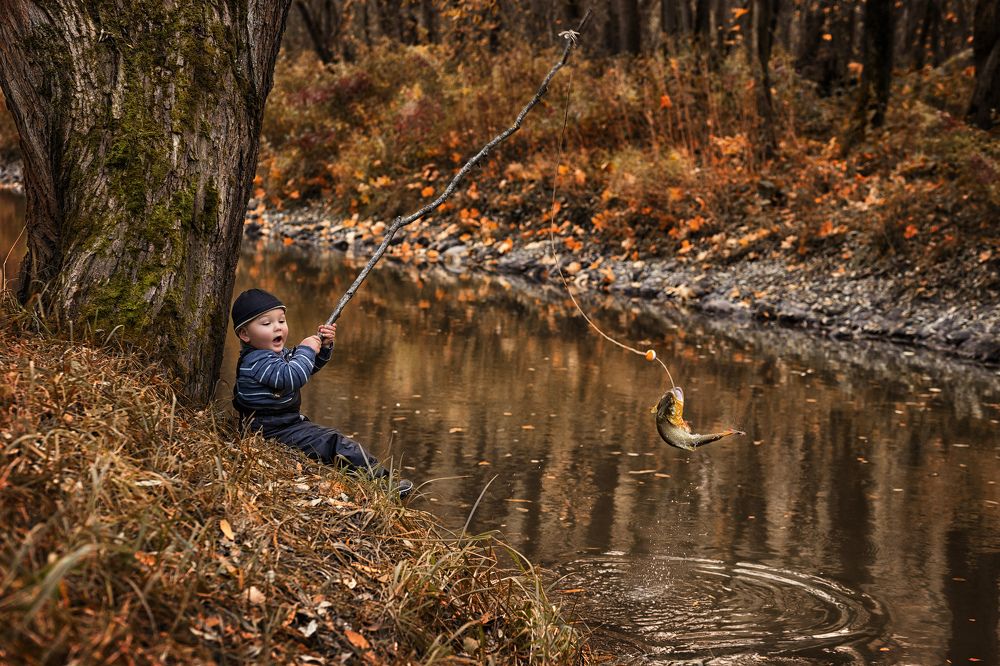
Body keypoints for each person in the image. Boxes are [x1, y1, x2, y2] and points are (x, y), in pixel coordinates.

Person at [231, 288, 412, 498]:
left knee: (327, 443)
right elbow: (293, 376)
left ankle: (368, 485)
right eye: (266, 323)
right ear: (245, 334)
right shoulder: (257, 362)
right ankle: (383, 484)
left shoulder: (272, 355)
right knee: (335, 443)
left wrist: (322, 347)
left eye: (281, 321)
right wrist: (306, 349)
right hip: (271, 430)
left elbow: (305, 368)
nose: (277, 327)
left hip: (283, 424)